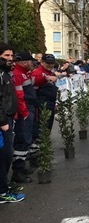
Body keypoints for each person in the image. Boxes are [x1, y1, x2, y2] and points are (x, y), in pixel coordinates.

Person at [0, 43, 25, 203]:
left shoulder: (5, 73)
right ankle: (2, 191)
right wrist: (2, 121)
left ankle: (4, 186)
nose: (10, 58)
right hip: (3, 122)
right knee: (4, 156)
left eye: (11, 55)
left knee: (6, 155)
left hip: (8, 119)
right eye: (6, 55)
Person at [11, 52, 38, 184]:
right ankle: (18, 170)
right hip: (25, 110)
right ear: (25, 62)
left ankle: (21, 167)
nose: (33, 64)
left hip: (28, 108)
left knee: (26, 139)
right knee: (23, 140)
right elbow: (19, 96)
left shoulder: (24, 73)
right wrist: (25, 112)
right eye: (31, 62)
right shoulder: (17, 74)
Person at [32, 54, 59, 139]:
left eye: (52, 63)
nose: (50, 65)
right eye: (48, 63)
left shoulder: (50, 72)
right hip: (41, 105)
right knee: (40, 128)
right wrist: (45, 78)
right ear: (42, 62)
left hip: (50, 104)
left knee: (47, 127)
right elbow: (33, 82)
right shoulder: (37, 72)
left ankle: (44, 142)